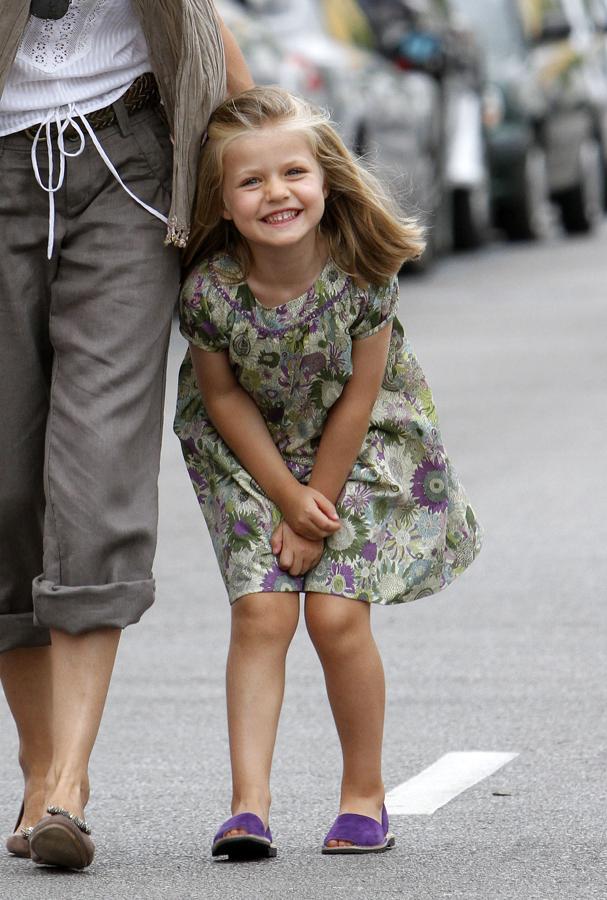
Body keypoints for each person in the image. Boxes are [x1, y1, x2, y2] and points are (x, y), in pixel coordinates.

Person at [174, 85, 482, 859]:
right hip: (246, 451)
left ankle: (362, 797)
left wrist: (317, 506)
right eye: (251, 182)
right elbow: (219, 396)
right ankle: (248, 807)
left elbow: (361, 394)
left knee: (337, 616)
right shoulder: (211, 291)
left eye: (292, 174)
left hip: (359, 445)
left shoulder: (361, 271)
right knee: (263, 613)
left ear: (325, 178)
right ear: (222, 199)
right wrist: (283, 495)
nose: (276, 193)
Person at [0, 0, 252, 870]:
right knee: (5, 489)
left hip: (129, 159)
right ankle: (37, 767)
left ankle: (67, 782)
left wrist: (261, 140)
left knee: (98, 465)